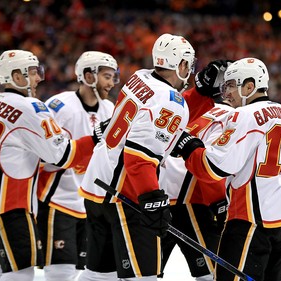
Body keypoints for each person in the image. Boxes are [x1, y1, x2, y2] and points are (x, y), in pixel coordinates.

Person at [77, 34, 229, 281]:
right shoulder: (170, 101)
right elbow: (139, 159)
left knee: (98, 276)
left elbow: (163, 107)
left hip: (96, 187)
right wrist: (152, 199)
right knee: (143, 277)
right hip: (125, 195)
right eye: (188, 65)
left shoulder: (140, 77)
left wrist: (201, 93)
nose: (190, 71)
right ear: (180, 65)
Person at [171, 57, 281, 281]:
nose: (226, 94)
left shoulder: (243, 116)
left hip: (250, 222)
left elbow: (214, 167)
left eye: (230, 86)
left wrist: (189, 146)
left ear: (249, 86)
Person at [0, 50, 105, 281]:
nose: (39, 78)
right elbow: (63, 155)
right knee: (21, 273)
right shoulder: (30, 107)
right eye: (33, 72)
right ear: (17, 77)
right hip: (11, 204)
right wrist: (97, 135)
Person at [37, 51, 119, 281]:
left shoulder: (110, 110)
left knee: (85, 271)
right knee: (61, 272)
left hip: (89, 204)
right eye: (106, 76)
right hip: (57, 200)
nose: (111, 83)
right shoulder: (58, 106)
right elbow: (43, 153)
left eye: (113, 77)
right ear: (88, 75)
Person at [158, 97, 234, 281]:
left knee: (145, 274)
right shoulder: (230, 116)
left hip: (156, 198)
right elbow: (211, 164)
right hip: (193, 201)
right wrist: (220, 203)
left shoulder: (183, 105)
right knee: (212, 274)